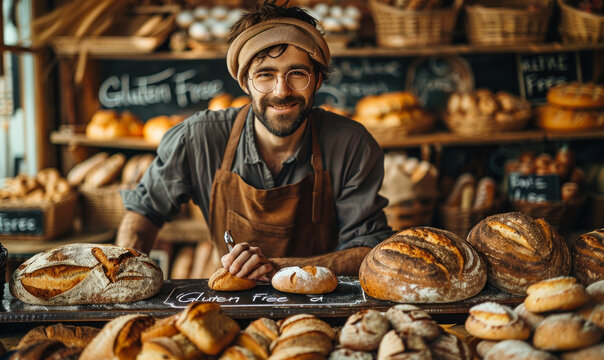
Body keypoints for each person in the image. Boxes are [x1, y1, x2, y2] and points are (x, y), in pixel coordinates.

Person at [116, 0, 394, 281]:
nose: (281, 91)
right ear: (244, 82)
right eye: (265, 75)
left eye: (297, 74)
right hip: (234, 301)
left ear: (318, 80)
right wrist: (125, 282)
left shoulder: (351, 144)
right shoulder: (199, 138)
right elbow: (144, 212)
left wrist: (279, 268)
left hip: (323, 304)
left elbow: (368, 249)